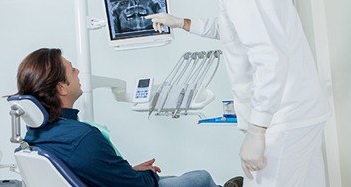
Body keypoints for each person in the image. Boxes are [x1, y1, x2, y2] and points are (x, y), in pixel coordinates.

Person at [145, 0, 331, 186]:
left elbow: (270, 57)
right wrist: (181, 23)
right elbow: (230, 28)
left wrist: (258, 130)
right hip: (292, 115)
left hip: (283, 119)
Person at [15, 48, 242, 187]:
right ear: (62, 88)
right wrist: (140, 178)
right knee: (201, 178)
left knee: (173, 178)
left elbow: (87, 172)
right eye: (71, 69)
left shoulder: (37, 134)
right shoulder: (82, 137)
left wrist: (127, 173)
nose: (77, 72)